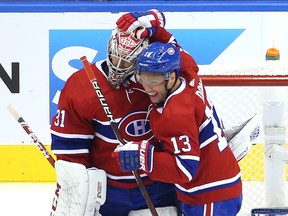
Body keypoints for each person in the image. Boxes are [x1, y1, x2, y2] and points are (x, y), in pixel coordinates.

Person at [49, 9, 199, 216]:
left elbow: (189, 67)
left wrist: (158, 27)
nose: (118, 67)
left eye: (128, 61)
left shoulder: (158, 81)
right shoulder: (81, 86)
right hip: (108, 192)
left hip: (159, 185)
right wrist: (76, 188)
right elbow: (70, 149)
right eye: (115, 57)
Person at [112, 42, 243, 216]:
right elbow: (175, 47)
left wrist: (143, 156)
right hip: (217, 189)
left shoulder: (176, 115)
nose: (146, 87)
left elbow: (185, 169)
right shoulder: (188, 74)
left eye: (153, 81)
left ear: (171, 77)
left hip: (210, 196)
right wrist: (152, 26)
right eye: (142, 78)